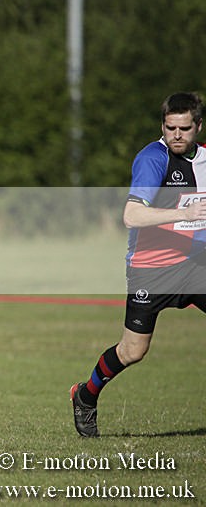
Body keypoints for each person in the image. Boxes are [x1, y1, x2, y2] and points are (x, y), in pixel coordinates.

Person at [70, 91, 206, 437]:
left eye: (184, 128)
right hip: (152, 268)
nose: (176, 134)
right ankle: (86, 395)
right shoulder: (152, 158)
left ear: (198, 127)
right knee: (133, 350)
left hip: (196, 265)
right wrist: (184, 212)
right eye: (170, 127)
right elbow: (131, 215)